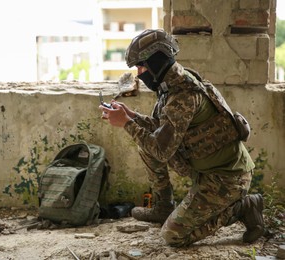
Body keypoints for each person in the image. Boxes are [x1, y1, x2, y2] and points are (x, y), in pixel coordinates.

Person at [99, 29, 265, 247]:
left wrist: (126, 124)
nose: (139, 73)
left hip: (226, 179)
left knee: (173, 236)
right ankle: (164, 207)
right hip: (207, 171)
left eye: (141, 66)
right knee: (145, 146)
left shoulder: (183, 95)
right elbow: (163, 130)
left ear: (156, 62)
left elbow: (162, 150)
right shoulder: (173, 84)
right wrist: (131, 116)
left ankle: (243, 207)